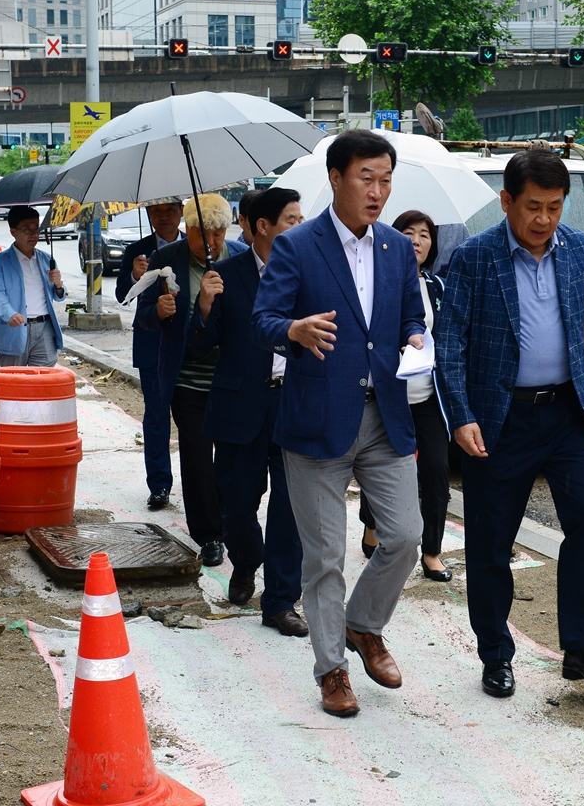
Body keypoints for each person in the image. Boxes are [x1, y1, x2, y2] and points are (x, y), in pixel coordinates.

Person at [437, 149, 584, 700]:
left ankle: (582, 649)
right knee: (492, 544)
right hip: (501, 419)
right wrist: (461, 416)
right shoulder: (476, 257)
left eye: (555, 207)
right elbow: (449, 344)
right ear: (507, 202)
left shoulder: (578, 251)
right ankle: (495, 654)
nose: (543, 219)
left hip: (568, 413)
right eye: (533, 206)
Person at [253, 130, 425, 718]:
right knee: (325, 555)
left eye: (385, 180)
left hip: (385, 416)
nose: (377, 192)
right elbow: (263, 319)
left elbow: (408, 316)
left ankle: (364, 623)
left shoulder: (398, 250)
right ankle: (332, 670)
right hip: (316, 422)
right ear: (335, 178)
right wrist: (293, 331)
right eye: (366, 179)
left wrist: (416, 336)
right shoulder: (298, 246)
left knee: (405, 535)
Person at [187, 186, 307, 636]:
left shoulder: (307, 271)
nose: (301, 226)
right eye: (292, 220)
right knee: (237, 505)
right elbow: (200, 346)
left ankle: (280, 600)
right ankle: (246, 562)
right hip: (240, 406)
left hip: (292, 403)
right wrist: (204, 304)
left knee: (290, 508)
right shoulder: (227, 275)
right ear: (263, 227)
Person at [136, 193, 246, 567]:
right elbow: (143, 314)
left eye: (218, 233)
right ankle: (209, 534)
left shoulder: (239, 259)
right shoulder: (167, 260)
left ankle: (229, 521)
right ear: (189, 230)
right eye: (205, 234)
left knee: (230, 459)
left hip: (231, 377)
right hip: (187, 380)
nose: (212, 242)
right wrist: (160, 312)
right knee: (198, 459)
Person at [357, 210, 451, 582]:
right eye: (408, 233)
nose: (416, 241)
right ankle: (371, 526)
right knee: (378, 465)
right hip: (388, 393)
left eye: (425, 234)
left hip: (429, 395)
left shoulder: (438, 288)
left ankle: (432, 551)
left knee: (436, 469)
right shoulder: (379, 283)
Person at [117, 199, 185, 511]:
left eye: (170, 209)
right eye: (156, 211)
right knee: (157, 417)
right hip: (152, 346)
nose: (164, 216)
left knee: (193, 422)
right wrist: (134, 276)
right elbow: (121, 295)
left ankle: (200, 482)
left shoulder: (195, 245)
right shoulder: (138, 251)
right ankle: (159, 485)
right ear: (148, 215)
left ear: (181, 212)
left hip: (189, 348)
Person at [0, 205, 66, 367]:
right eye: (27, 229)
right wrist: (9, 314)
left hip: (44, 329)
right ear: (13, 231)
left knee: (42, 380)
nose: (33, 234)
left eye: (36, 228)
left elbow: (58, 295)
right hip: (14, 328)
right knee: (15, 380)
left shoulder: (46, 259)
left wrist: (59, 285)